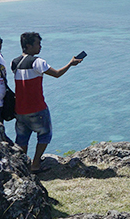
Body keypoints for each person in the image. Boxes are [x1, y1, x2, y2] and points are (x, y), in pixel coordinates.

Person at [12, 31, 82, 172]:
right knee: (45, 135)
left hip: (19, 108)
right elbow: (56, 74)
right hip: (37, 107)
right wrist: (70, 64)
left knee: (22, 139)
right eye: (38, 44)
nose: (40, 47)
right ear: (29, 45)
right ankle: (35, 164)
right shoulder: (38, 61)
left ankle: (22, 167)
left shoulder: (15, 62)